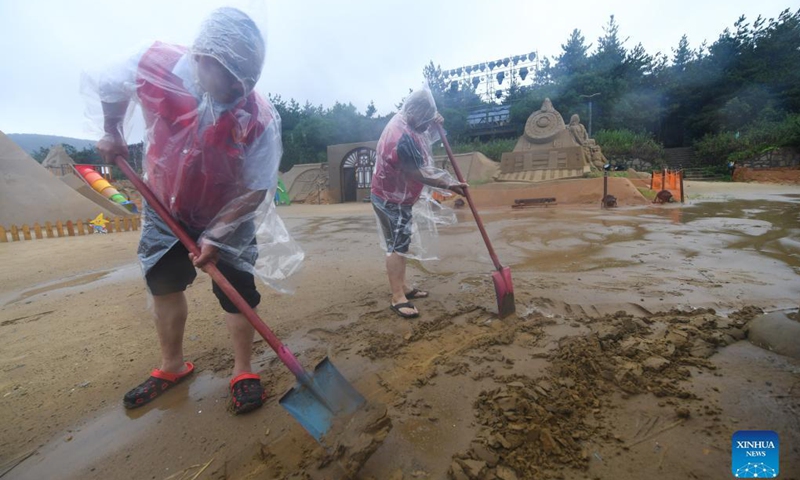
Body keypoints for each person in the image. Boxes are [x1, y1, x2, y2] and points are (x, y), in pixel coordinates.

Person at [93, 7, 296, 414]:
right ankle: (172, 365)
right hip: (163, 203)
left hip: (229, 210)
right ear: (203, 57)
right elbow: (109, 83)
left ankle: (243, 369)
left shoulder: (259, 115)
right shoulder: (153, 63)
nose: (242, 90)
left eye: (248, 82)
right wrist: (112, 130)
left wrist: (218, 236)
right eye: (233, 82)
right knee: (163, 283)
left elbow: (257, 187)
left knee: (236, 291)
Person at [370, 88, 467, 319]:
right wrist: (450, 184)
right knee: (397, 245)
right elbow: (418, 172)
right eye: (425, 118)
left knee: (400, 241)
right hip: (391, 198)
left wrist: (434, 124)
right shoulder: (400, 135)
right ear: (415, 111)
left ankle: (403, 287)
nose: (426, 123)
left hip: (394, 195)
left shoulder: (410, 122)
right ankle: (397, 297)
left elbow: (423, 137)